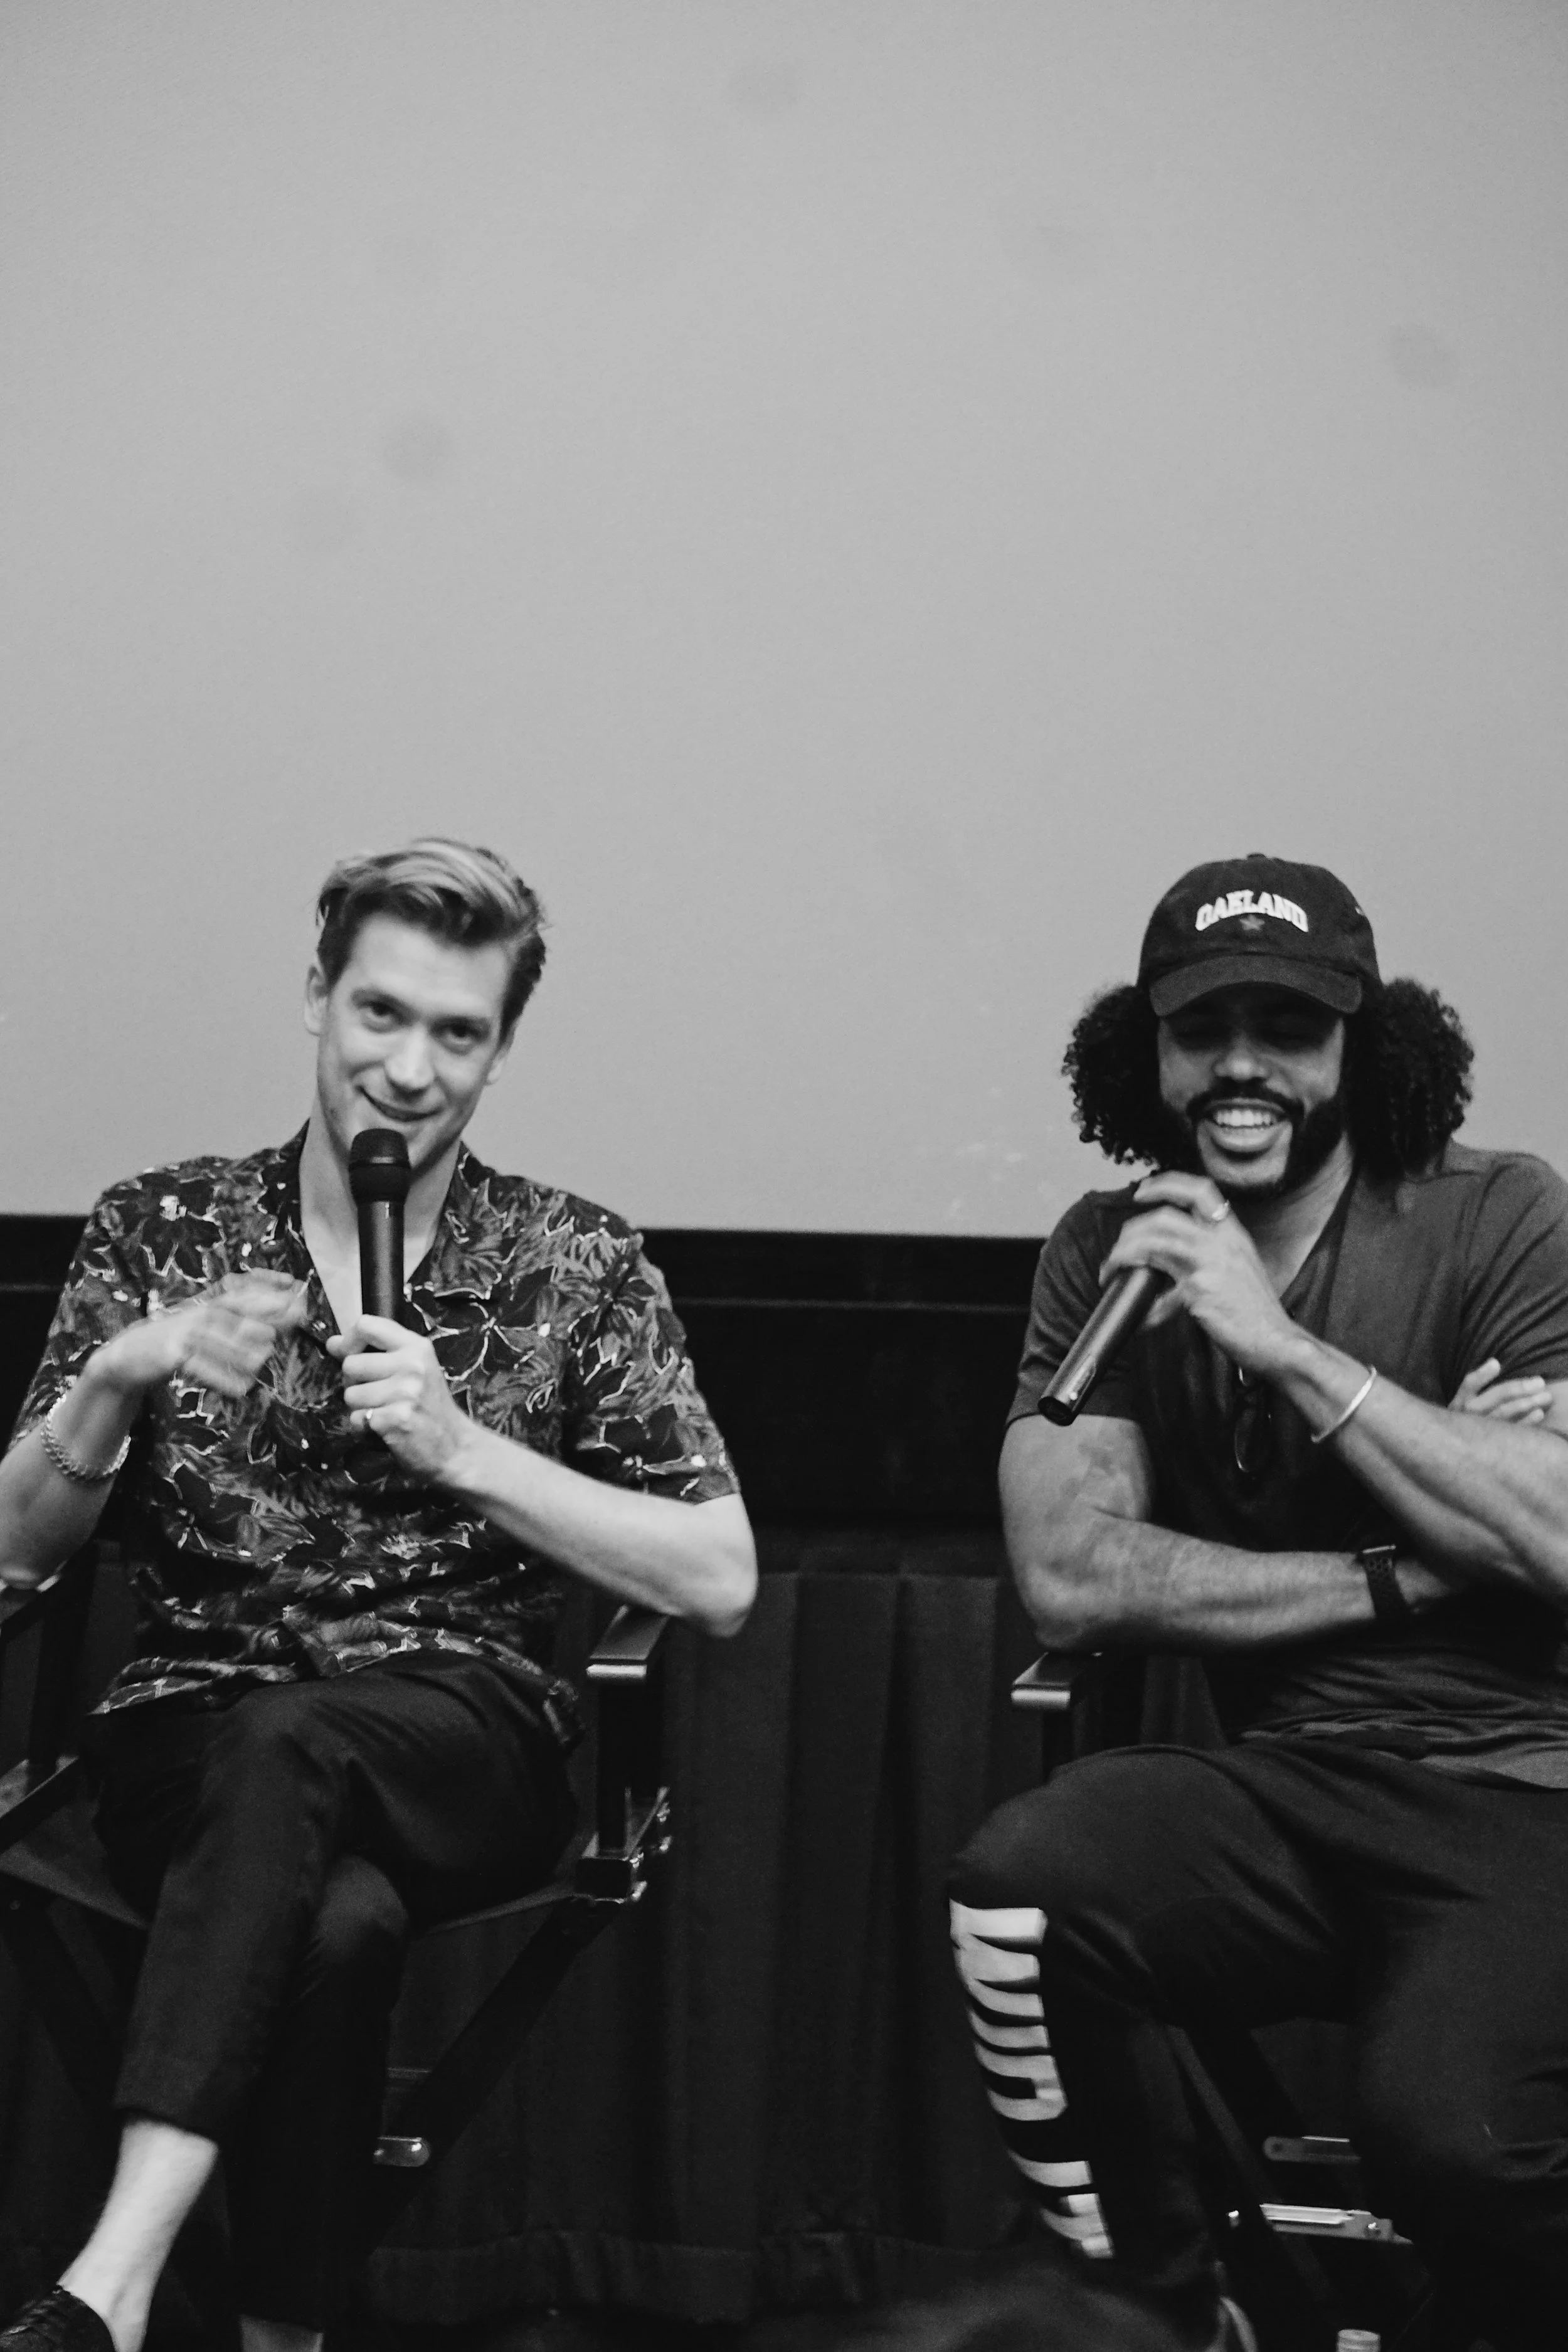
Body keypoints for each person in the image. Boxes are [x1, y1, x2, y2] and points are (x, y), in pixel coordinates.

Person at [0, 838, 756, 2352]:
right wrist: (115, 1378)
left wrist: (465, 1450)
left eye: (456, 1033)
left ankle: (112, 2284)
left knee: (294, 1744)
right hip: (186, 1737)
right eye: (380, 1014)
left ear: (499, 1050)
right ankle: (283, 2336)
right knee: (336, 1921)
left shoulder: (572, 1261)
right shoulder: (162, 1231)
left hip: (460, 1736)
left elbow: (718, 1577)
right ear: (316, 997)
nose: (409, 1070)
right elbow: (14, 1556)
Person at [948, 854, 1568, 2352]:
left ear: (1364, 1045)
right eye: (1200, 1028)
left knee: (1451, 2142)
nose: (1240, 1065)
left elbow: (1557, 1539)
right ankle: (1163, 2312)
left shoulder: (1498, 1216)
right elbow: (1072, 1574)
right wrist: (1415, 1555)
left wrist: (1278, 1345)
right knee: (1019, 1885)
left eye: (1285, 1028)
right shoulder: (1108, 1254)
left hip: (1521, 1796)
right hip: (1286, 1788)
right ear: (1143, 1055)